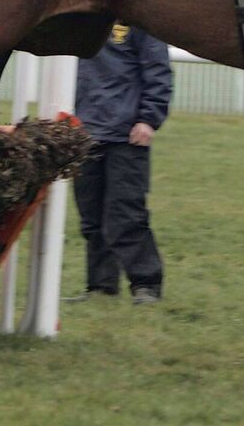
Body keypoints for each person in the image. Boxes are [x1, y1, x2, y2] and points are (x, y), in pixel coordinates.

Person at [70, 23, 172, 304]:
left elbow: (158, 70)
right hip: (85, 132)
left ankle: (146, 284)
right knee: (91, 216)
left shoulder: (139, 21)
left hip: (127, 135)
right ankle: (101, 286)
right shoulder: (83, 20)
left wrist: (148, 119)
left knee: (126, 214)